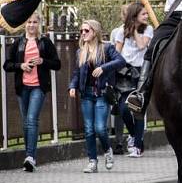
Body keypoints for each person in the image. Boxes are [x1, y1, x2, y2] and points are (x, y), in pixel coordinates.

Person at [3, 12, 61, 172]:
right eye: (29, 22)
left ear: (39, 24)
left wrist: (43, 61)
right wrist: (20, 66)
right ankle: (30, 158)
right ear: (25, 24)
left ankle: (29, 156)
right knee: (26, 123)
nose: (31, 25)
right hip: (22, 88)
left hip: (38, 87)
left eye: (35, 22)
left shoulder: (45, 42)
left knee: (31, 120)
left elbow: (57, 64)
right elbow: (7, 65)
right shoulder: (18, 42)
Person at [68, 20, 126, 173]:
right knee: (88, 130)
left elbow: (121, 61)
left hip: (101, 93)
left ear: (95, 31)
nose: (83, 33)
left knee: (100, 128)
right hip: (86, 94)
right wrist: (72, 86)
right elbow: (76, 72)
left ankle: (108, 151)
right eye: (81, 31)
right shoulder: (80, 51)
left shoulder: (106, 48)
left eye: (86, 30)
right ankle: (92, 162)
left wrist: (103, 67)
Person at [113, 1, 153, 157]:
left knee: (138, 110)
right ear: (135, 15)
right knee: (123, 109)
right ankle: (135, 136)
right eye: (143, 14)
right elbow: (116, 53)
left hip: (141, 73)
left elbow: (142, 46)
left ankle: (136, 147)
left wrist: (135, 28)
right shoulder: (121, 31)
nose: (146, 16)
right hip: (125, 72)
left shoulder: (148, 29)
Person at [109, 4, 129, 155]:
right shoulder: (116, 32)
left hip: (135, 73)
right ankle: (119, 141)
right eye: (125, 15)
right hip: (120, 73)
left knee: (134, 108)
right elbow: (113, 52)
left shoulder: (142, 30)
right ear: (122, 16)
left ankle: (136, 139)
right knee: (119, 109)